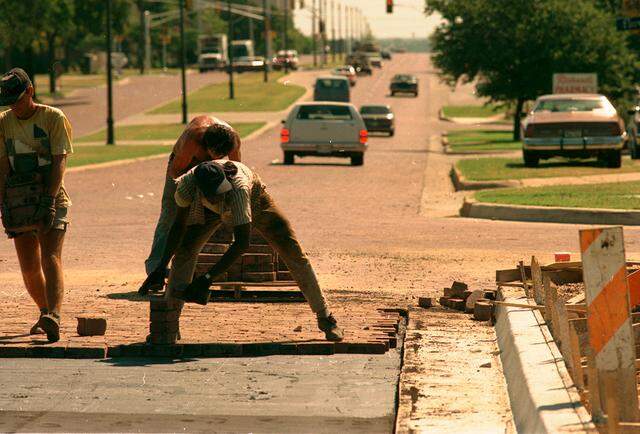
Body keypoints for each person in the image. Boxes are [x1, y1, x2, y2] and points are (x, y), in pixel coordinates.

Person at [139, 160, 344, 341]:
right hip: (208, 212)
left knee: (292, 252)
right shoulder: (186, 186)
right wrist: (159, 267)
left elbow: (242, 243)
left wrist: (207, 278)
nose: (221, 199)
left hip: (256, 202)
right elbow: (178, 227)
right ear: (201, 192)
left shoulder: (238, 189)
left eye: (222, 193)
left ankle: (325, 317)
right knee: (184, 252)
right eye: (215, 196)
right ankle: (168, 327)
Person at [0, 68, 73, 343]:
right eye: (8, 103)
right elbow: (2, 165)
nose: (13, 108)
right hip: (18, 201)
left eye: (17, 100)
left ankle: (54, 315)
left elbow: (59, 162)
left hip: (52, 196)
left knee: (50, 256)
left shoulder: (53, 118)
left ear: (30, 92)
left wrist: (49, 201)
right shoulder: (3, 123)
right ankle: (43, 312)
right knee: (29, 266)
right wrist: (4, 203)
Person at [142, 116, 242, 293]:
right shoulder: (192, 140)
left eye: (222, 156)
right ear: (206, 146)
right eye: (214, 155)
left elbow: (237, 170)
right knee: (170, 215)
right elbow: (175, 173)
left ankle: (197, 266)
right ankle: (156, 270)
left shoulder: (232, 140)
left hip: (213, 172)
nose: (218, 158)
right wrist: (191, 194)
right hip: (183, 167)